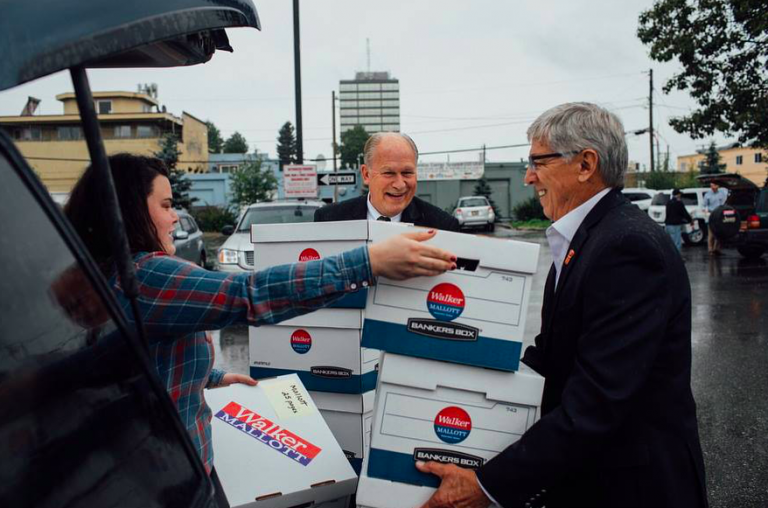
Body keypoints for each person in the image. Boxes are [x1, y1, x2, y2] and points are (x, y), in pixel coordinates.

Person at [63, 154, 456, 486]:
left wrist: (212, 378)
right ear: (129, 209)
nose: (174, 218)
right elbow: (248, 295)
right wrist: (367, 263)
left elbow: (122, 362)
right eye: (166, 206)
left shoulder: (101, 273)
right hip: (168, 481)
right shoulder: (146, 274)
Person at [417, 103, 708, 508]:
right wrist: (456, 379)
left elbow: (597, 399)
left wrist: (487, 485)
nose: (528, 176)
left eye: (538, 161)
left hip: (634, 488)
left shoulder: (626, 246)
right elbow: (553, 358)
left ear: (586, 163)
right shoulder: (590, 238)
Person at [314, 132, 460, 231]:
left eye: (407, 173)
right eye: (389, 173)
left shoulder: (442, 227)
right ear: (366, 174)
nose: (400, 184)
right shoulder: (329, 221)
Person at [665, 188, 694, 253]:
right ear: (678, 195)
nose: (680, 195)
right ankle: (676, 258)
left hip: (667, 224)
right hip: (675, 225)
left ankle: (669, 256)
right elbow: (684, 213)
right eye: (680, 194)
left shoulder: (668, 202)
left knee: (669, 242)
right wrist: (690, 220)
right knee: (677, 243)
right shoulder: (679, 203)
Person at [704, 181, 728, 255]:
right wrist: (706, 212)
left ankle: (717, 249)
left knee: (719, 233)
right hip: (711, 214)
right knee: (711, 234)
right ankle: (710, 250)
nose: (713, 188)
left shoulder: (721, 193)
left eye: (715, 186)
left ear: (718, 186)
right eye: (712, 186)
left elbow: (723, 203)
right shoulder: (707, 195)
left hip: (719, 214)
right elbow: (704, 205)